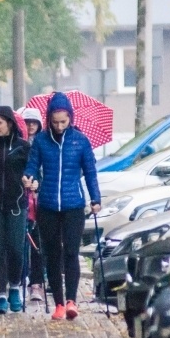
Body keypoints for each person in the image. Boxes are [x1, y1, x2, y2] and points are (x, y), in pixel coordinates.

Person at [22, 92, 101, 320]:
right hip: (47, 205)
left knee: (71, 252)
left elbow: (90, 172)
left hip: (73, 205)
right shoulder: (41, 140)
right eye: (55, 122)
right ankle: (58, 303)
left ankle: (71, 301)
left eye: (63, 122)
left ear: (70, 118)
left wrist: (95, 199)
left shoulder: (80, 141)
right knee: (52, 254)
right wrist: (28, 177)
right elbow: (32, 165)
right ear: (49, 119)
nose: (59, 126)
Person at [0, 106, 30, 314]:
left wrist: (31, 180)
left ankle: (15, 287)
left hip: (16, 204)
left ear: (9, 123)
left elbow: (33, 170)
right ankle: (1, 293)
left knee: (16, 249)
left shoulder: (22, 146)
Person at [20, 107, 45, 302]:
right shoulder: (17, 144)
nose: (30, 126)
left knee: (37, 242)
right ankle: (20, 278)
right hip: (20, 199)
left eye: (33, 122)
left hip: (39, 200)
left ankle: (36, 282)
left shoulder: (44, 144)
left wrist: (38, 183)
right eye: (27, 122)